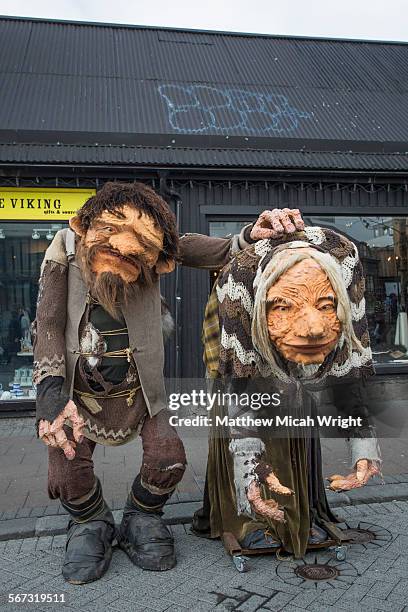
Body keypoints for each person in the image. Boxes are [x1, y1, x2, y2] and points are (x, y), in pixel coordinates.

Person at [33, 180, 304, 584]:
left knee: (168, 456)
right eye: (110, 235)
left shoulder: (157, 248)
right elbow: (50, 323)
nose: (124, 250)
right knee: (68, 471)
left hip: (141, 393)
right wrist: (50, 394)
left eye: (138, 244)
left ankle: (142, 517)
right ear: (86, 227)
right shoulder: (64, 249)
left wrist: (250, 235)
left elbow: (205, 248)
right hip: (78, 394)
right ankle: (91, 524)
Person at [193, 227, 381, 557]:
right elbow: (241, 397)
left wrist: (363, 443)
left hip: (292, 367)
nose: (314, 328)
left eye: (326, 306)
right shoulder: (239, 296)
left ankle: (303, 511)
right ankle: (247, 519)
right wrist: (249, 477)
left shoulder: (340, 288)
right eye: (282, 306)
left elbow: (348, 370)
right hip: (241, 366)